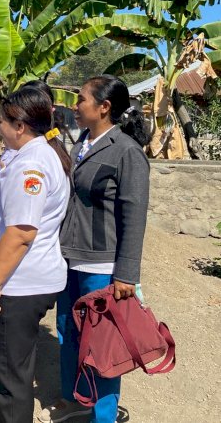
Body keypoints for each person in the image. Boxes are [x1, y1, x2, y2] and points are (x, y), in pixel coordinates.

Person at [38, 75, 151, 423]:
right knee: (67, 329)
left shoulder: (126, 152)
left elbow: (134, 216)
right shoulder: (82, 142)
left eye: (82, 99)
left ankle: (103, 414)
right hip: (70, 257)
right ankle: (77, 399)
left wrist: (126, 274)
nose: (75, 105)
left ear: (104, 107)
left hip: (102, 264)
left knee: (102, 342)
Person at [0, 86, 72, 422]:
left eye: (2, 121)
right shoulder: (39, 156)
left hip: (18, 284)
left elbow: (21, 233)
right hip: (26, 281)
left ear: (20, 126)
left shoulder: (31, 166)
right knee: (15, 369)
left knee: (10, 378)